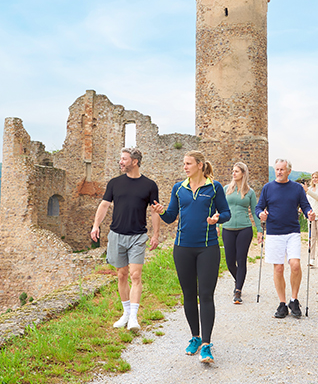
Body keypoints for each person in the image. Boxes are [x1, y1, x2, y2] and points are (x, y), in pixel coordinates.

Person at [151, 150, 231, 364]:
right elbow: (170, 217)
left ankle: (206, 344)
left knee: (205, 295)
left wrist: (217, 218)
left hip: (207, 248)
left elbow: (226, 213)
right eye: (184, 163)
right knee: (188, 295)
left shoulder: (215, 187)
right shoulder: (179, 188)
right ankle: (195, 337)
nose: (185, 166)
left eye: (188, 163)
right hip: (182, 248)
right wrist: (160, 211)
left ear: (200, 165)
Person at [91, 148, 160, 332]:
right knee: (121, 275)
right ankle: (126, 313)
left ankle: (134, 318)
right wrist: (96, 225)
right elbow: (104, 205)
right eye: (120, 158)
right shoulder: (114, 183)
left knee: (135, 275)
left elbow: (154, 211)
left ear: (134, 161)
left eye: (123, 159)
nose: (120, 162)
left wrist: (155, 234)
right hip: (117, 235)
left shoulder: (150, 185)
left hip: (138, 236)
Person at [256, 159, 315, 319]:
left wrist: (309, 213)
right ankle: (282, 304)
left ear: (289, 171)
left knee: (295, 265)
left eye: (282, 169)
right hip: (274, 233)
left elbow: (305, 205)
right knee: (279, 268)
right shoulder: (268, 188)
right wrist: (261, 214)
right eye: (277, 169)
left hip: (292, 232)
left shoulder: (297, 188)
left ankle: (293, 300)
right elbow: (259, 207)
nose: (279, 172)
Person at [220, 162, 262, 304]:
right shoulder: (226, 189)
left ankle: (238, 290)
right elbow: (219, 207)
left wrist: (260, 230)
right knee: (230, 261)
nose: (233, 173)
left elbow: (255, 212)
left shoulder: (250, 192)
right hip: (228, 228)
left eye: (236, 171)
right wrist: (216, 222)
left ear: (243, 173)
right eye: (233, 171)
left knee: (241, 259)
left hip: (245, 228)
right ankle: (238, 280)